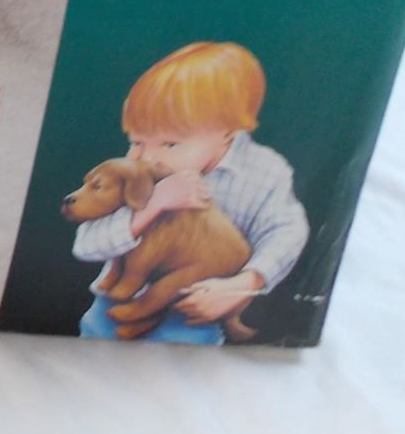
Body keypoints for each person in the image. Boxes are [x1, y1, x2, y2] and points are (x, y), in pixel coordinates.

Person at [73, 41, 309, 345]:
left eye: (170, 144)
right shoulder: (137, 171)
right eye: (136, 141)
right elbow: (86, 245)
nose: (147, 157)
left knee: (184, 354)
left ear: (227, 134)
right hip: (117, 300)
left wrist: (246, 283)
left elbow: (286, 233)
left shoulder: (265, 172)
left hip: (194, 309)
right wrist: (153, 205)